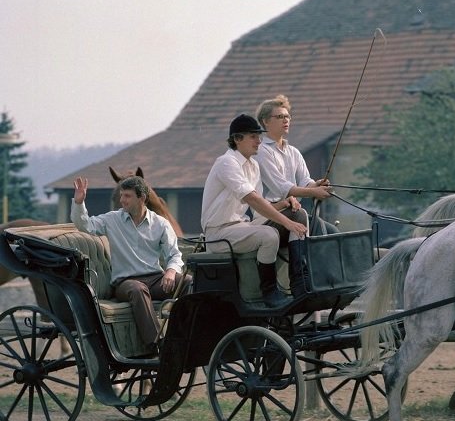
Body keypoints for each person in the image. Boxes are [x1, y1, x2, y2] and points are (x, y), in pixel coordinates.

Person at [71, 174, 190, 355]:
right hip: (125, 283)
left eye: (127, 196)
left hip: (156, 279)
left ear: (142, 198)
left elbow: (174, 254)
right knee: (137, 289)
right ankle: (157, 345)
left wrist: (171, 272)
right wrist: (79, 203)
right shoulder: (112, 220)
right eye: (121, 195)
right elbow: (84, 226)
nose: (121, 200)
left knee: (188, 282)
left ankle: (185, 336)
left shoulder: (161, 224)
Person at [200, 113, 308, 307]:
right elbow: (252, 198)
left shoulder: (254, 166)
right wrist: (286, 222)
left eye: (259, 136)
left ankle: (299, 282)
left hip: (241, 227)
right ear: (237, 139)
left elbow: (259, 209)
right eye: (253, 136)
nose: (259, 141)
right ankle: (269, 292)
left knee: (299, 214)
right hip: (219, 233)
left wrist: (285, 205)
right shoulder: (226, 163)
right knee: (269, 235)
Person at [255, 94, 339, 236]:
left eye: (288, 116)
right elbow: (282, 188)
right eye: (280, 117)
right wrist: (314, 192)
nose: (286, 120)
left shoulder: (293, 152)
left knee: (332, 232)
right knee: (312, 225)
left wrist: (317, 185)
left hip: (293, 211)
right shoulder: (261, 151)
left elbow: (305, 182)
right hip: (269, 215)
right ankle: (300, 259)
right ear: (266, 121)